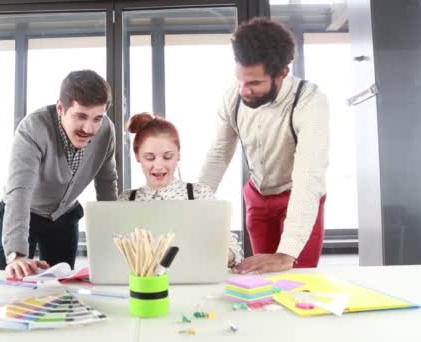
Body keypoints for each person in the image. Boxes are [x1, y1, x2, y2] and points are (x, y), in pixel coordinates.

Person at [199, 18, 329, 274]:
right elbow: (218, 155)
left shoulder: (310, 101)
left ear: (282, 73)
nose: (244, 91)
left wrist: (287, 252)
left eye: (255, 83)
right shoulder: (233, 97)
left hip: (297, 194)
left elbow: (308, 177)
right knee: (260, 278)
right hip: (257, 196)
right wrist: (193, 205)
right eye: (240, 81)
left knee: (298, 281)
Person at [0, 70, 118, 279]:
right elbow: (20, 191)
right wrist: (17, 255)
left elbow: (107, 183)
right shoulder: (33, 128)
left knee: (61, 287)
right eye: (81, 116)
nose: (89, 128)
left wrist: (115, 240)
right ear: (61, 108)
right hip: (25, 212)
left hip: (64, 216)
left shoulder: (106, 130)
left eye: (97, 118)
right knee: (11, 281)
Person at [119, 112, 243, 267]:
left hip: (194, 282)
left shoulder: (200, 194)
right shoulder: (126, 200)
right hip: (143, 286)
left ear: (178, 155)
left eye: (167, 157)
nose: (158, 166)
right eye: (149, 158)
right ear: (137, 156)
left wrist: (220, 255)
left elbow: (234, 250)